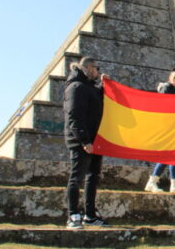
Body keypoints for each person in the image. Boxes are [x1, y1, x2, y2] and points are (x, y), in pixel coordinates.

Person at [63, 57, 108, 229]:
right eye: (97, 68)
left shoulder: (89, 87)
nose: (98, 71)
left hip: (95, 140)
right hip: (81, 141)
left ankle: (90, 214)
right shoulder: (76, 87)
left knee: (92, 177)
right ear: (88, 68)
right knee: (77, 177)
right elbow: (74, 117)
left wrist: (105, 86)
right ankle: (73, 215)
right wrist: (84, 140)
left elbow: (98, 104)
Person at [145, 68, 175, 194]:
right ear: (169, 78)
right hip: (166, 128)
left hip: (173, 127)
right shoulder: (166, 89)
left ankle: (172, 182)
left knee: (172, 155)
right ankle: (155, 181)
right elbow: (162, 107)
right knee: (169, 155)